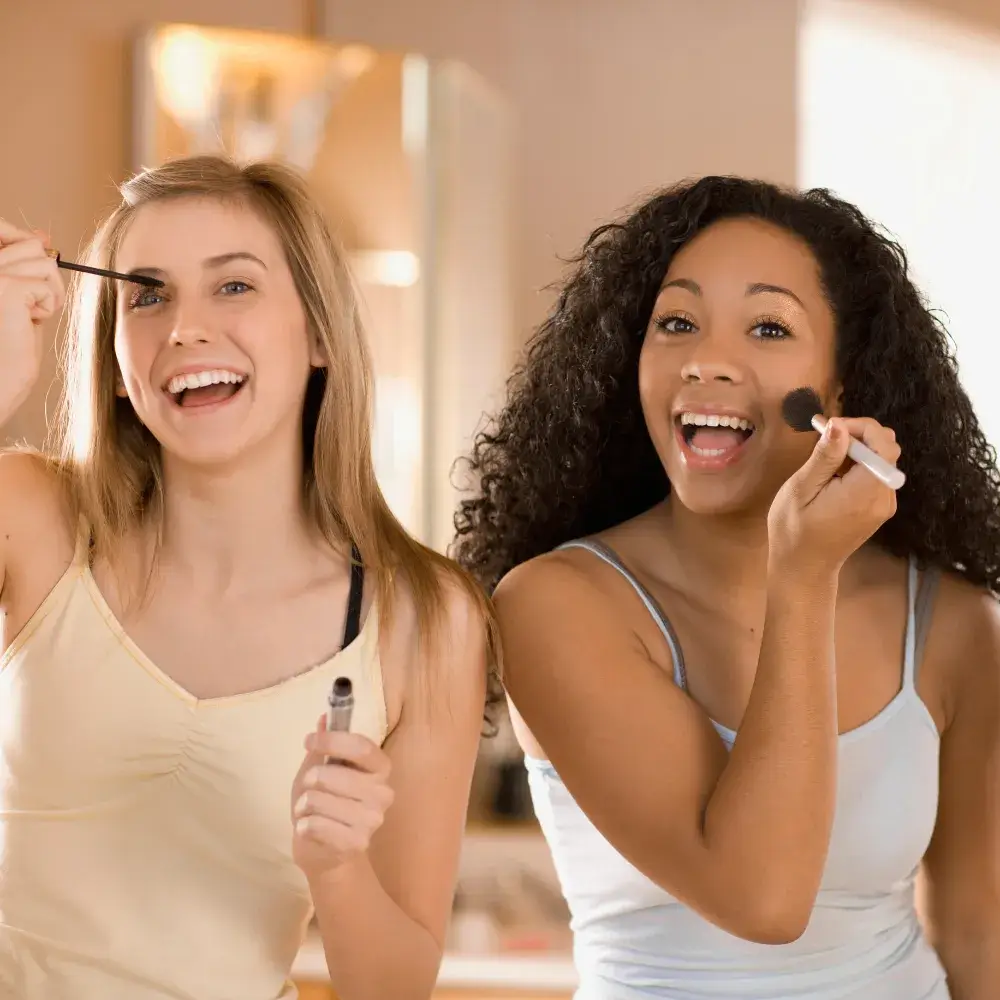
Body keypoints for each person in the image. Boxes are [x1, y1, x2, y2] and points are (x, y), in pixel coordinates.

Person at [453, 177, 1000, 999]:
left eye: (769, 326)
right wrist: (804, 575)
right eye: (676, 323)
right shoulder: (556, 605)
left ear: (841, 390)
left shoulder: (954, 624)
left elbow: (978, 932)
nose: (707, 358)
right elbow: (762, 895)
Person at [0, 154, 495, 1000]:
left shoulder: (426, 618)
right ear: (117, 365)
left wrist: (337, 869)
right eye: (147, 294)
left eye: (233, 287)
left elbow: (396, 986)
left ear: (320, 337)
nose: (184, 328)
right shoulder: (33, 517)